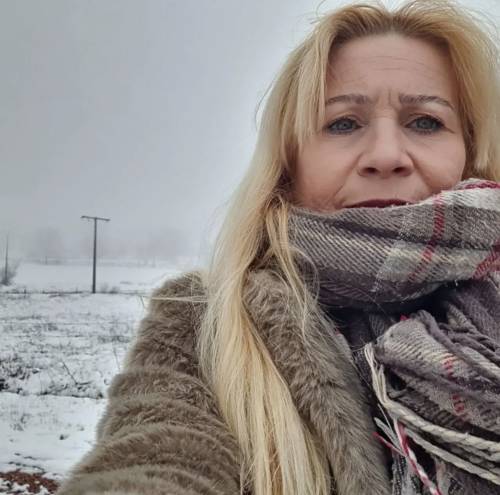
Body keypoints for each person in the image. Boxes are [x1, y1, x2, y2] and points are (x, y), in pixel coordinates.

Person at [56, 0, 500, 494]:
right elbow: (161, 456)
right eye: (343, 123)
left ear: (468, 152)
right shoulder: (207, 325)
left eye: (425, 122)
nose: (385, 155)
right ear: (290, 163)